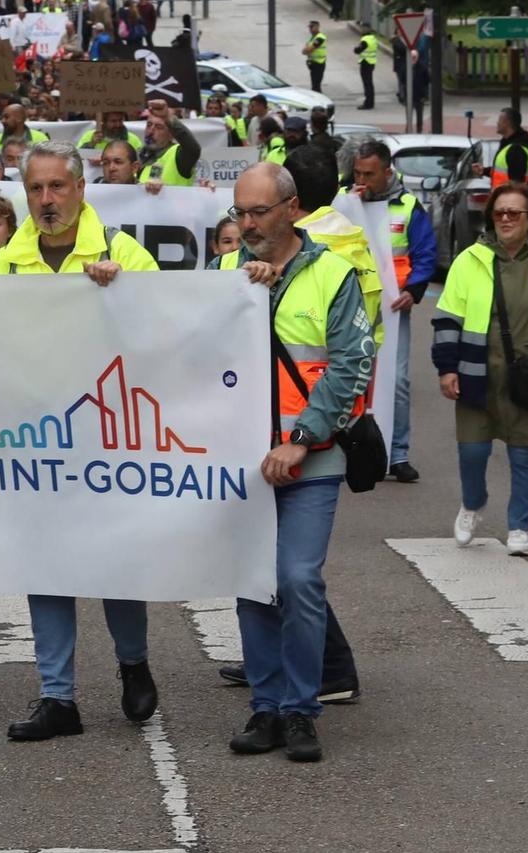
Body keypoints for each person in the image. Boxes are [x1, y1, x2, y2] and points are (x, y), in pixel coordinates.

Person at [0, 142, 160, 742]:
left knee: (116, 564)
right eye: (35, 190)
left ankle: (133, 664)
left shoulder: (123, 253)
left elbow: (170, 331)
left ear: (80, 189)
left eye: (57, 188)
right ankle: (57, 697)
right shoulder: (5, 264)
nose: (46, 201)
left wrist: (127, 297)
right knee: (46, 566)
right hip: (34, 442)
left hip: (107, 440)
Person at [220, 162, 373, 764]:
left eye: (258, 212)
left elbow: (348, 366)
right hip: (242, 463)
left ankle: (302, 710)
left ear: (293, 209)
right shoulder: (224, 276)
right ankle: (267, 706)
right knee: (254, 585)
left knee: (297, 579)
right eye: (240, 213)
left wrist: (301, 439)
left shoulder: (334, 275)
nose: (248, 224)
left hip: (310, 458)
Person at [433, 183, 528, 557]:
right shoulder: (471, 259)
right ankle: (473, 503)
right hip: (477, 372)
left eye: (513, 213)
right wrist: (446, 368)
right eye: (499, 212)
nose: (504, 219)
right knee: (472, 451)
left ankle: (520, 526)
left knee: (524, 455)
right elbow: (447, 318)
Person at [349, 141, 439, 483]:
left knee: (396, 382)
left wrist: (413, 290)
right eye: (358, 172)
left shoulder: (410, 207)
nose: (362, 179)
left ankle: (398, 453)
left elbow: (425, 252)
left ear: (388, 172)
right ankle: (349, 450)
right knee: (352, 379)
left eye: (369, 174)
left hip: (391, 307)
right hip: (351, 305)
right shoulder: (345, 201)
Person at [491, 107, 528, 187]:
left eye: (499, 120)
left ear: (507, 123)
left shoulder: (516, 150)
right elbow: (505, 172)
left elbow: (517, 184)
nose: (497, 123)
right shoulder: (509, 145)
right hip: (503, 197)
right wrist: (484, 170)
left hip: (508, 198)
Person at [353, 31, 379, 110]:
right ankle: (371, 102)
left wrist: (355, 48)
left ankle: (368, 103)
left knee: (367, 84)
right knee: (370, 84)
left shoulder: (365, 40)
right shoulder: (373, 39)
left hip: (365, 63)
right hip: (372, 63)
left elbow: (357, 50)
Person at [301, 20, 327, 94]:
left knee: (316, 86)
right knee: (314, 85)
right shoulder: (312, 38)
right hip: (313, 63)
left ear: (317, 27)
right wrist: (306, 50)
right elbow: (304, 50)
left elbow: (309, 49)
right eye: (309, 27)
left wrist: (307, 50)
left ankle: (319, 101)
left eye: (312, 27)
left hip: (319, 63)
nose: (310, 29)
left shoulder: (320, 37)